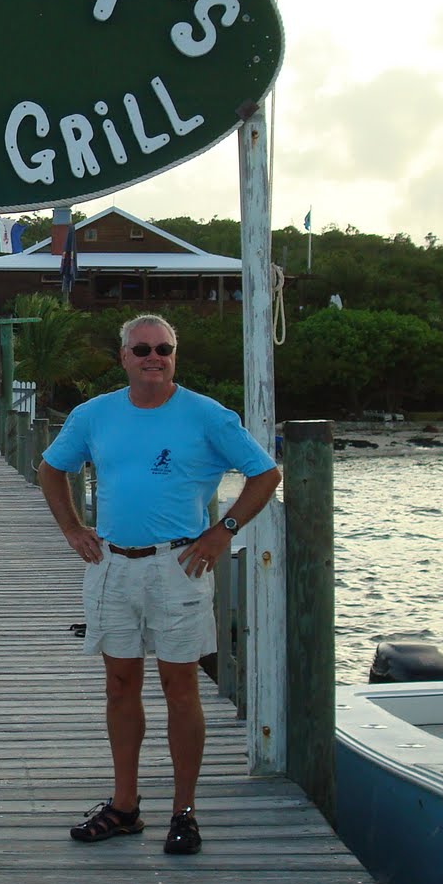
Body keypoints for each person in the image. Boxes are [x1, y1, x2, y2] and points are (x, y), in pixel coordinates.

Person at [37, 313, 280, 855]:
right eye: (142, 349)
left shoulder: (208, 416)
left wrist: (224, 532)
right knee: (119, 685)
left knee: (180, 688)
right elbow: (52, 469)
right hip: (112, 567)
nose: (154, 358)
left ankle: (184, 812)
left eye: (163, 349)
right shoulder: (92, 415)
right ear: (123, 356)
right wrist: (72, 528)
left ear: (175, 355)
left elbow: (265, 474)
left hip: (180, 566)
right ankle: (124, 806)